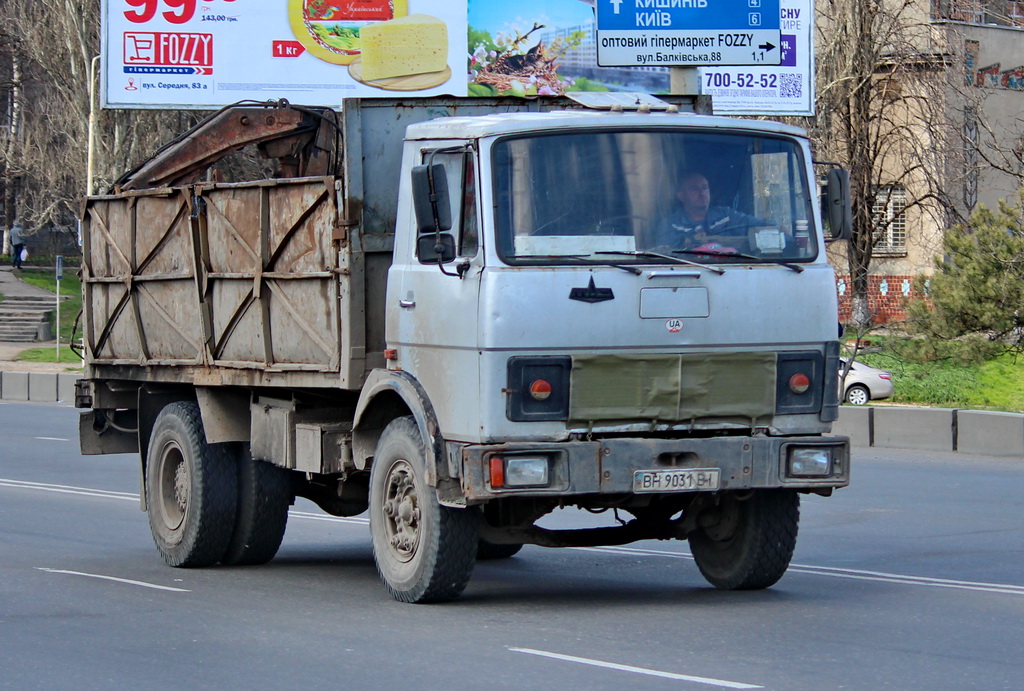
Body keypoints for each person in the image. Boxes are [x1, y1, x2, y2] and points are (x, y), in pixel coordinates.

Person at [648, 171, 766, 252]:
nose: (702, 193)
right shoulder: (670, 224)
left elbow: (760, 225)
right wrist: (691, 242)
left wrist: (780, 229)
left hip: (729, 271)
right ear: (681, 196)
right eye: (694, 189)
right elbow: (663, 253)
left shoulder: (726, 216)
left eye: (705, 188)